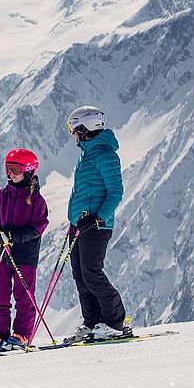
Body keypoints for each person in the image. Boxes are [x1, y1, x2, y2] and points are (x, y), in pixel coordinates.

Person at [65, 106, 128, 342]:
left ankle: (114, 322)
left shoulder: (105, 155)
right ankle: (91, 322)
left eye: (73, 128)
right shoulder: (87, 154)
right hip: (80, 225)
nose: (73, 134)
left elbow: (115, 192)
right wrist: (75, 220)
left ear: (84, 128)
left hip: (97, 226)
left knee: (92, 273)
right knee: (80, 275)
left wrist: (98, 217)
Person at [0, 148, 49, 350]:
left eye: (15, 169)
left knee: (24, 296)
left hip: (24, 254)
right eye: (8, 168)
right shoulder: (2, 195)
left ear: (28, 170)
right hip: (2, 253)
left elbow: (39, 226)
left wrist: (14, 237)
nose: (10, 174)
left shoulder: (36, 200)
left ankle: (22, 334)